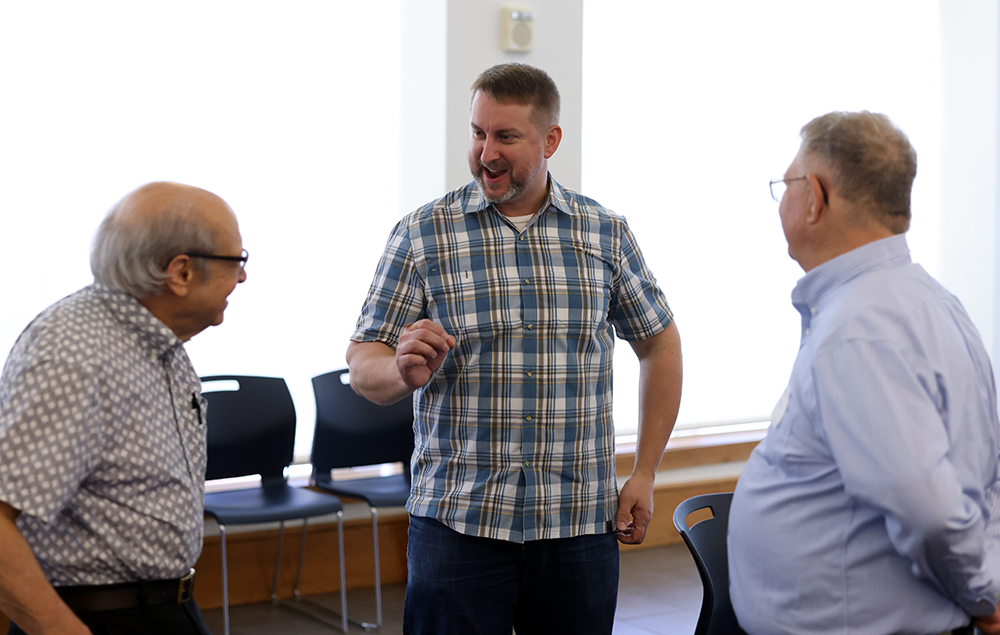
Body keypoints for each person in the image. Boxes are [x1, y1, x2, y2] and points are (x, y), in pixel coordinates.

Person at [346, 62, 682, 634]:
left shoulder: (604, 233)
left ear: (550, 140)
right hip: (457, 524)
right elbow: (362, 365)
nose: (486, 153)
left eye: (506, 136)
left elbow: (659, 344)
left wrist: (645, 472)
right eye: (478, 133)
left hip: (577, 524)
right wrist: (401, 371)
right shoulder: (422, 233)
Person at [728, 111, 1000, 635]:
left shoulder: (859, 331)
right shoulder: (924, 301)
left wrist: (981, 598)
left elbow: (926, 507)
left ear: (816, 197)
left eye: (785, 185)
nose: (780, 200)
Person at [0, 182, 248, 635]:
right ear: (181, 272)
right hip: (97, 616)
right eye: (238, 261)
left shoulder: (155, 340)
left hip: (165, 606)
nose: (244, 277)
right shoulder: (73, 355)